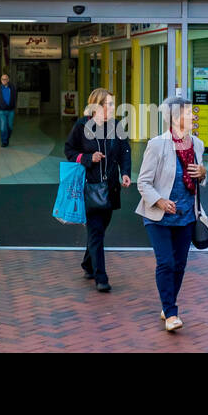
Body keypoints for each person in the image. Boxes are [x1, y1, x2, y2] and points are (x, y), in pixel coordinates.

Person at [136, 96, 207, 332]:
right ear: (175, 118)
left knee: (179, 265)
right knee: (166, 262)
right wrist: (160, 201)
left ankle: (167, 305)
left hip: (186, 216)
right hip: (158, 216)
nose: (193, 116)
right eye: (188, 113)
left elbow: (199, 182)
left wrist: (203, 173)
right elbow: (143, 183)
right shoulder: (157, 144)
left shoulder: (197, 144)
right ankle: (171, 312)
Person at [64, 88, 132, 293]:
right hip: (90, 187)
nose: (113, 107)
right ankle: (100, 277)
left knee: (99, 231)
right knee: (95, 231)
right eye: (109, 104)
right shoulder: (82, 125)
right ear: (97, 105)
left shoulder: (117, 126)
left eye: (113, 104)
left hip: (110, 188)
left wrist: (126, 173)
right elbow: (69, 150)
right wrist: (87, 158)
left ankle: (87, 263)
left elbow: (124, 151)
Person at [0, 72, 17, 148]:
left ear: (8, 80)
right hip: (2, 111)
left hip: (11, 110)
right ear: (1, 80)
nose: (4, 80)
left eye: (6, 79)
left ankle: (7, 138)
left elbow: (15, 97)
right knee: (3, 126)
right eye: (3, 79)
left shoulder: (12, 87)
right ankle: (4, 141)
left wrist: (13, 105)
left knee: (10, 126)